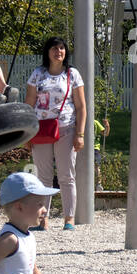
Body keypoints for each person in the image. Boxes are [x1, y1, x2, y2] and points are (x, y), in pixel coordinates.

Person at [26, 36, 87, 230]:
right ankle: (43, 218)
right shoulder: (37, 74)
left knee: (66, 175)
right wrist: (25, 133)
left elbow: (81, 106)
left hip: (66, 128)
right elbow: (29, 103)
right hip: (41, 129)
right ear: (47, 52)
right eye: (54, 48)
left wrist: (80, 133)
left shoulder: (72, 74)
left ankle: (69, 218)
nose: (58, 51)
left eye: (61, 48)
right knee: (43, 175)